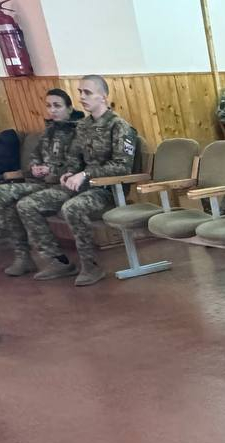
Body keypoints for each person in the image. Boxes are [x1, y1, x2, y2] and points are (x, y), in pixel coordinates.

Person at [14, 75, 137, 287]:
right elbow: (74, 158)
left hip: (107, 189)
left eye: (87, 93)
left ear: (103, 96)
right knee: (27, 204)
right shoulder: (83, 126)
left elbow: (122, 166)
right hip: (81, 184)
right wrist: (70, 172)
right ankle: (58, 261)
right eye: (80, 92)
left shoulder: (119, 126)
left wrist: (86, 174)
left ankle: (90, 266)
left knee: (72, 208)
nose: (81, 97)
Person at [0, 88, 84, 277]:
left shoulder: (79, 131)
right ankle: (22, 256)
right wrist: (35, 167)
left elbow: (78, 165)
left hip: (66, 185)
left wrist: (52, 170)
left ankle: (56, 260)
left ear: (69, 108)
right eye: (49, 106)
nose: (52, 110)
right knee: (4, 193)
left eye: (57, 106)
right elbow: (35, 155)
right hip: (43, 183)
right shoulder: (49, 132)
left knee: (23, 204)